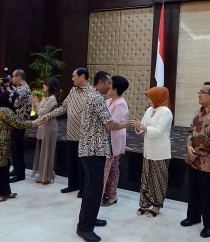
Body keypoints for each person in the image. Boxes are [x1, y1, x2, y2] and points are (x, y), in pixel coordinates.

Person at [76, 71, 131, 242]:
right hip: (94, 149)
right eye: (108, 83)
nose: (110, 86)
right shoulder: (97, 98)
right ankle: (85, 228)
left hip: (91, 148)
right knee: (93, 189)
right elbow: (110, 123)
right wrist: (124, 124)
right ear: (101, 82)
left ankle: (88, 220)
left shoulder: (92, 95)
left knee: (91, 187)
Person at [180, 82, 210, 238]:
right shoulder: (198, 113)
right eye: (199, 92)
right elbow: (190, 133)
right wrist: (188, 147)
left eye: (202, 92)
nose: (199, 94)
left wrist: (196, 153)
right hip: (193, 161)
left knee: (208, 195)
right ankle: (193, 217)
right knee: (193, 191)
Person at [0, 90, 42, 202]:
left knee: (3, 169)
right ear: (9, 100)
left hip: (0, 145)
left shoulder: (3, 109)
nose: (17, 101)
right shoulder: (4, 111)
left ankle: (5, 191)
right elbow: (18, 124)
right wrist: (34, 123)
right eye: (15, 99)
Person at [42, 67, 93, 197]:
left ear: (82, 77)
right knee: (72, 161)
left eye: (74, 76)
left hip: (84, 134)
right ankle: (73, 185)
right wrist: (49, 115)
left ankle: (83, 188)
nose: (72, 78)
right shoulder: (73, 90)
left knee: (82, 164)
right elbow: (64, 107)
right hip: (71, 131)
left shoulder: (92, 93)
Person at [130, 86, 172, 218]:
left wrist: (143, 126)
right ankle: (144, 203)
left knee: (158, 180)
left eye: (150, 97)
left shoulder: (166, 112)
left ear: (157, 97)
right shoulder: (149, 110)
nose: (148, 100)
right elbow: (143, 128)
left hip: (160, 152)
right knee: (146, 178)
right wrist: (138, 126)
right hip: (148, 151)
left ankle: (156, 206)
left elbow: (157, 132)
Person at [101, 76, 129, 207]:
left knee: (111, 169)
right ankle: (109, 194)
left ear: (115, 89)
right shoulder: (109, 101)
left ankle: (111, 195)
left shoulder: (121, 104)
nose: (107, 86)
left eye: (110, 84)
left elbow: (112, 124)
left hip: (114, 140)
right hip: (106, 139)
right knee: (110, 169)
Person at [29, 77, 61, 184]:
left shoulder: (52, 98)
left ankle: (47, 175)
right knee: (42, 149)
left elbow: (43, 111)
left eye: (45, 84)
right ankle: (43, 174)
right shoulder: (45, 97)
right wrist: (35, 104)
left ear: (50, 86)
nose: (43, 86)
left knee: (47, 150)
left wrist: (36, 103)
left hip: (50, 125)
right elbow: (38, 112)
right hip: (43, 125)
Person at [9, 69, 32, 183]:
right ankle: (16, 169)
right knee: (15, 146)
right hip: (16, 121)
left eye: (13, 76)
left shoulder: (24, 88)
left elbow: (13, 102)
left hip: (20, 122)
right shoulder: (19, 87)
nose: (12, 78)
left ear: (19, 77)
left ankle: (20, 173)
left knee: (17, 146)